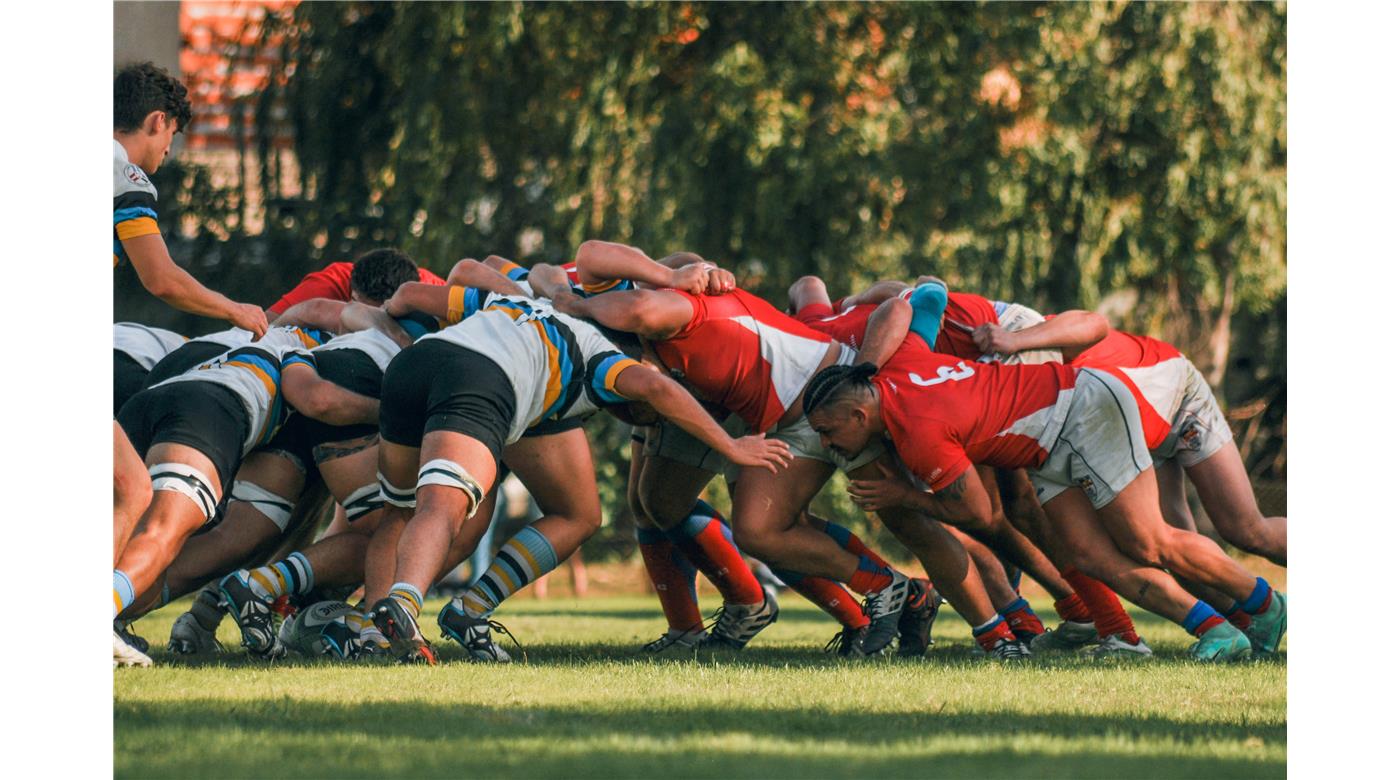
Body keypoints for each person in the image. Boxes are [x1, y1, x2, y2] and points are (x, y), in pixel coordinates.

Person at [539, 242, 1023, 660]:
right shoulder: (668, 320)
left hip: (839, 398)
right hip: (797, 421)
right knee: (757, 530)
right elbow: (583, 261)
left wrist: (576, 304)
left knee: (924, 519)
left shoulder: (674, 311)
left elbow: (915, 299)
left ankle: (1002, 633)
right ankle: (894, 592)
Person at [362, 283, 791, 664]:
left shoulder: (516, 298)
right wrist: (732, 445)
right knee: (441, 506)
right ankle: (403, 604)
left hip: (414, 366)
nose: (647, 421)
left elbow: (424, 292)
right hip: (480, 379)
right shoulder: (602, 353)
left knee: (408, 514)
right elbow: (656, 388)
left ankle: (384, 628)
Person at [802, 342, 1287, 663]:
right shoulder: (894, 367)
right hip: (1049, 441)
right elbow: (909, 299)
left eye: (828, 431)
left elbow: (976, 514)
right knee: (1086, 555)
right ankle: (1215, 628)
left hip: (1082, 410)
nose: (826, 444)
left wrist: (902, 495)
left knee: (1148, 540)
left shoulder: (918, 434)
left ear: (859, 413)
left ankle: (1264, 604)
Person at [113, 63, 269, 666]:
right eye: (170, 137)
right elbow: (161, 277)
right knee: (132, 488)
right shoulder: (123, 174)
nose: (166, 151)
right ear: (157, 122)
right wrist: (235, 310)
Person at [111, 326, 378, 666]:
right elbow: (317, 398)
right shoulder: (306, 352)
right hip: (211, 409)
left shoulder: (241, 337)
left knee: (133, 522)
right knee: (164, 530)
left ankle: (121, 615)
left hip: (148, 400)